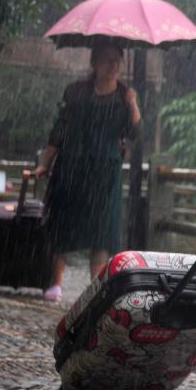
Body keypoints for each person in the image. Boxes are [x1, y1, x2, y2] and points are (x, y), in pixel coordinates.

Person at [34, 43, 140, 301]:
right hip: (72, 166)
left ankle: (96, 288)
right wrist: (45, 162)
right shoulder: (76, 92)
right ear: (95, 62)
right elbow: (59, 130)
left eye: (117, 60)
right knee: (63, 225)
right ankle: (56, 283)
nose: (113, 65)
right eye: (107, 59)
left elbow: (135, 133)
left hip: (105, 173)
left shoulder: (124, 96)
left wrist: (133, 105)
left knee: (101, 233)